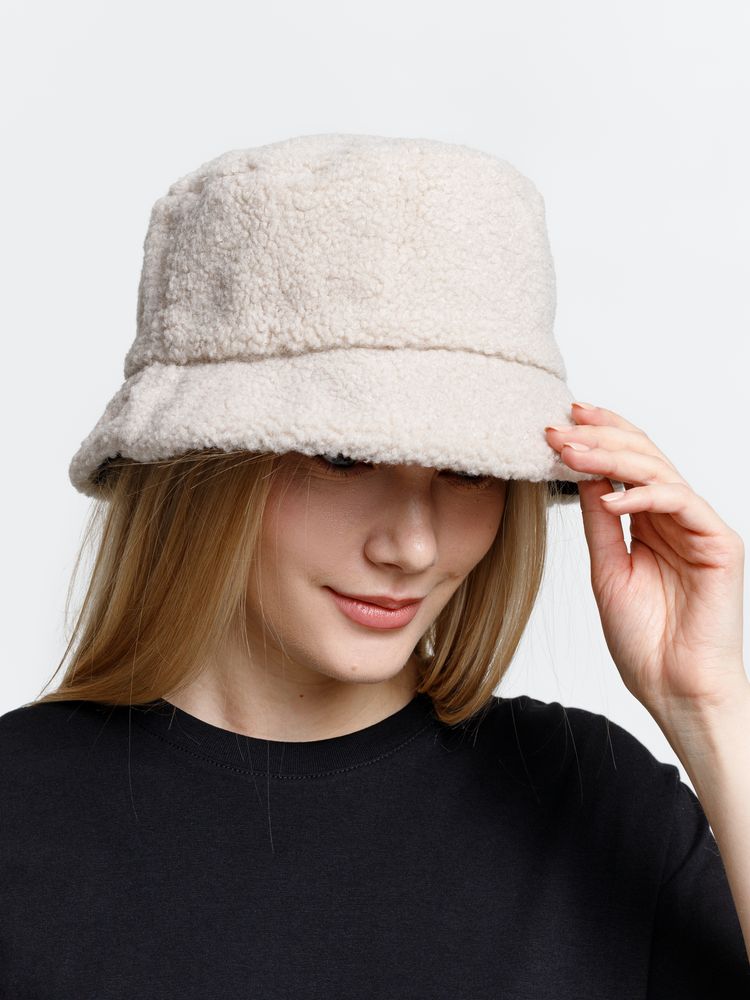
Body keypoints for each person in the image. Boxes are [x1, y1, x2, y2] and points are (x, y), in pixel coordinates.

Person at [1, 133, 748, 997]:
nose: (414, 547)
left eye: (466, 470)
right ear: (202, 467)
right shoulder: (19, 819)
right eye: (343, 458)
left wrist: (708, 705)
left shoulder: (599, 802)